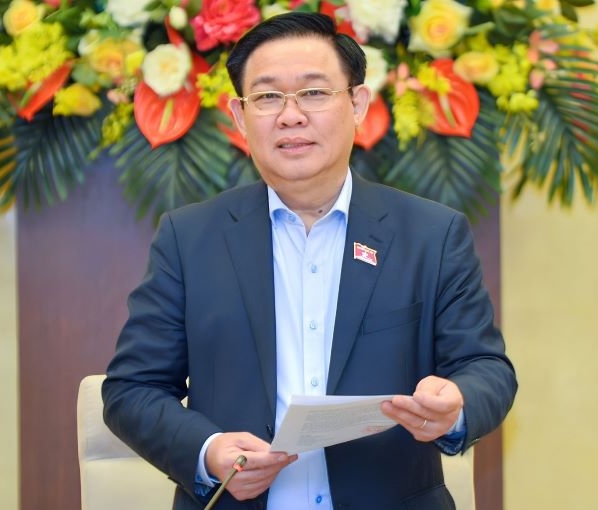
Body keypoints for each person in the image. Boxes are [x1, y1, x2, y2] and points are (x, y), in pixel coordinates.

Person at [102, 11, 516, 510]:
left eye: (314, 92)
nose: (290, 115)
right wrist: (208, 452)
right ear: (239, 117)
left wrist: (457, 403)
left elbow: (485, 367)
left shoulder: (431, 234)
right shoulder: (189, 239)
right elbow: (133, 389)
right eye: (267, 97)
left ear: (357, 104)